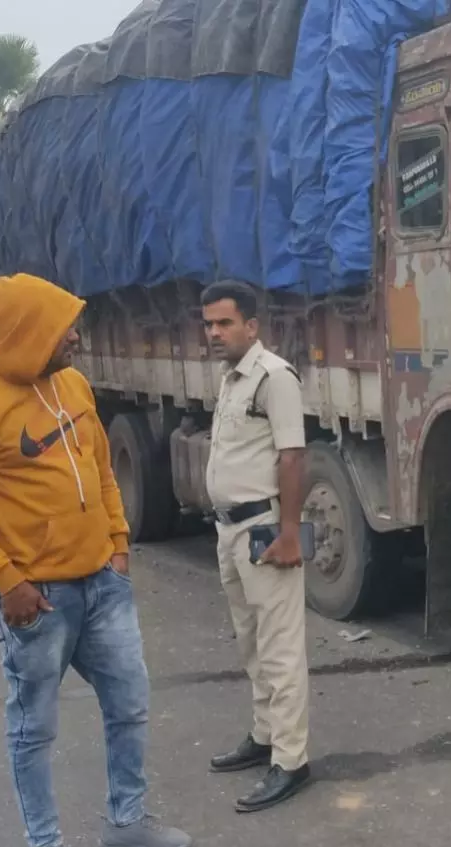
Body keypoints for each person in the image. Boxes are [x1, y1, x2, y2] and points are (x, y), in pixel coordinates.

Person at [0, 273, 191, 847]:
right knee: (33, 728)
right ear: (28, 333)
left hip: (103, 583)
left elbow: (101, 468)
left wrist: (120, 546)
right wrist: (8, 580)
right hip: (37, 601)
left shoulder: (72, 385)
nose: (75, 335)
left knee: (129, 703)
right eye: (62, 325)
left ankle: (126, 822)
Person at [198, 279, 314, 812]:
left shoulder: (274, 377)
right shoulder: (230, 379)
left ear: (252, 326)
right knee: (250, 641)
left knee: (280, 648)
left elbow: (293, 457)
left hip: (264, 529)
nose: (214, 333)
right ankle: (265, 735)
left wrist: (290, 534)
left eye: (224, 323)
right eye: (208, 324)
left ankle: (290, 761)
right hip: (229, 530)